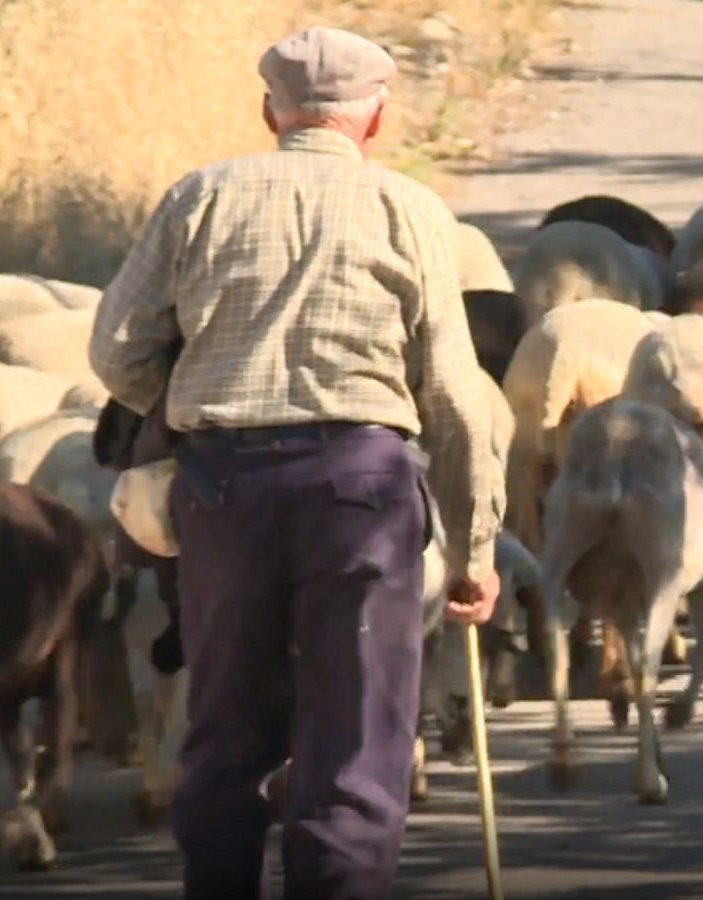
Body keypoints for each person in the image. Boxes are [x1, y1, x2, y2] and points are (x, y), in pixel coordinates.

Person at [87, 25, 506, 900]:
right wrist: (474, 551)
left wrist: (197, 398)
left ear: (269, 111)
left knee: (226, 727)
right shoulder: (411, 210)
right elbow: (457, 399)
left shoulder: (200, 196)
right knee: (354, 736)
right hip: (361, 491)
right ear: (377, 117)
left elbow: (117, 349)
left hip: (224, 488)